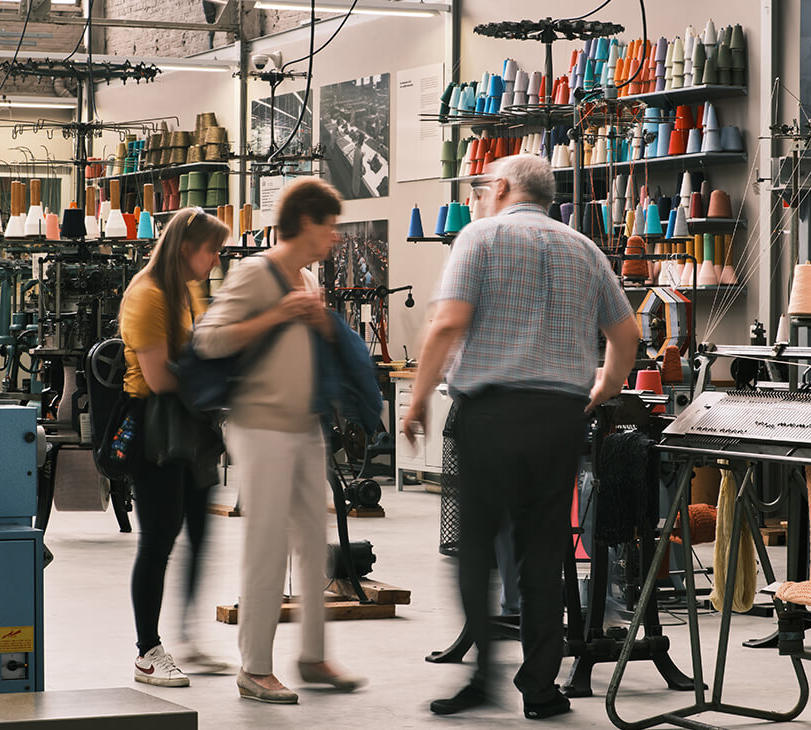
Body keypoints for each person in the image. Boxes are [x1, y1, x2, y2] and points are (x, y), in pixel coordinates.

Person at [403, 154, 640, 719]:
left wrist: (417, 398)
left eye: (484, 187)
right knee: (543, 552)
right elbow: (626, 332)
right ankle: (539, 688)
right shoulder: (583, 249)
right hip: (560, 417)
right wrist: (603, 386)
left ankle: (483, 677)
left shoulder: (479, 237)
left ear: (503, 187)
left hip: (491, 413)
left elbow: (449, 322)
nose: (480, 196)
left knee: (476, 548)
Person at [192, 177, 365, 704]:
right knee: (266, 545)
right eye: (330, 225)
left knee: (315, 546)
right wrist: (279, 315)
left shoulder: (309, 278)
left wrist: (324, 324)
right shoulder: (254, 272)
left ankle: (313, 656)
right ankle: (255, 667)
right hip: (260, 425)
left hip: (304, 426)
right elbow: (208, 338)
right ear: (307, 223)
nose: (335, 236)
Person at [120, 208, 229, 687]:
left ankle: (187, 636)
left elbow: (203, 349)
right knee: (158, 541)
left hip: (188, 426)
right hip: (155, 430)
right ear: (188, 248)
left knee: (201, 532)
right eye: (213, 250)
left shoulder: (186, 291)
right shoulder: (146, 295)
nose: (216, 259)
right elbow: (162, 376)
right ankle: (148, 650)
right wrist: (218, 383)